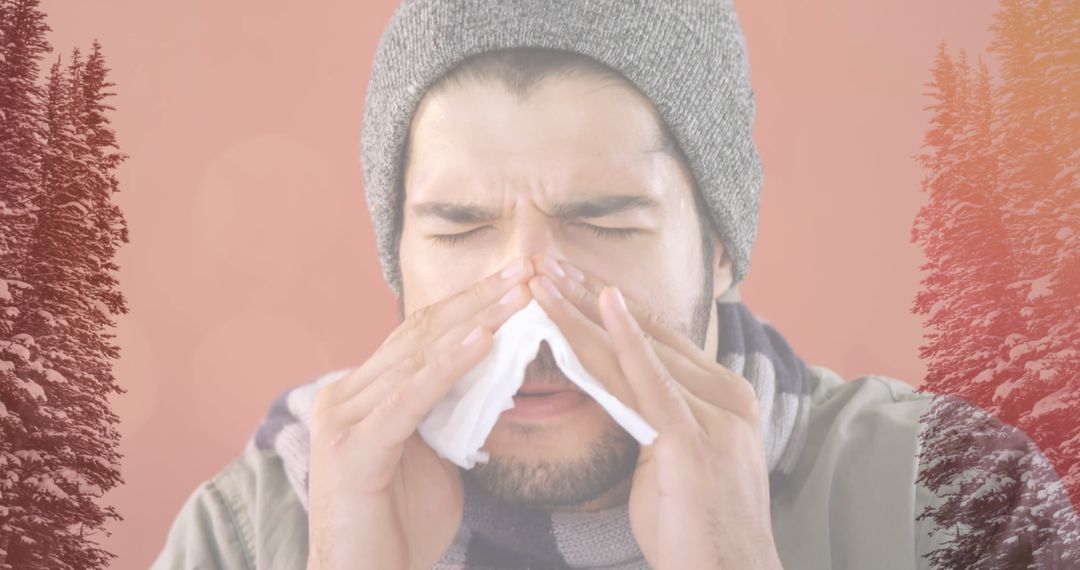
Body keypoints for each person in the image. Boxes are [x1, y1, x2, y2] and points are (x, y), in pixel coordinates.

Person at [151, 1, 1077, 569]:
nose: (529, 303)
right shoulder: (256, 528)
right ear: (398, 252)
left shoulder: (950, 499)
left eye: (604, 223)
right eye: (460, 226)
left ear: (719, 246)